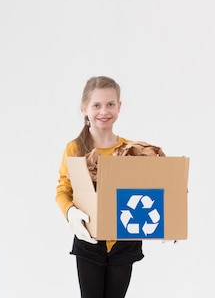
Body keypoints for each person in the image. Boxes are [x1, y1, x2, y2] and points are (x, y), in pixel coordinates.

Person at [56, 76, 146, 298]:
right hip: (89, 239)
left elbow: (145, 190)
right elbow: (62, 190)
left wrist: (161, 220)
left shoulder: (130, 150)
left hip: (124, 239)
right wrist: (71, 213)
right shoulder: (75, 148)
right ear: (84, 108)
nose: (103, 111)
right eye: (96, 105)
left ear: (119, 107)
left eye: (110, 104)